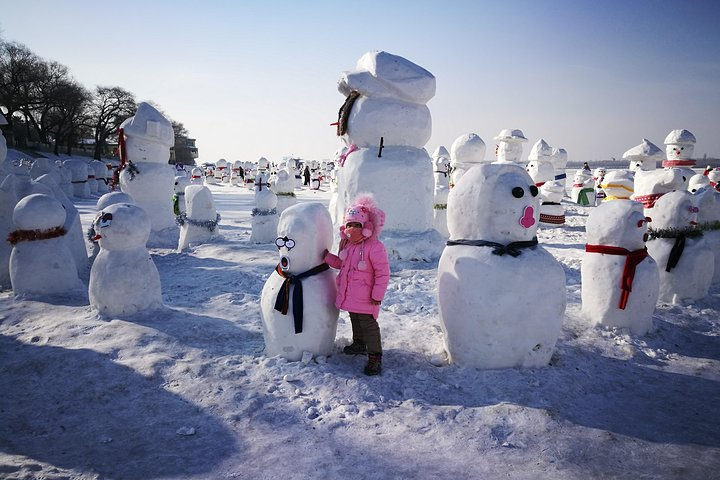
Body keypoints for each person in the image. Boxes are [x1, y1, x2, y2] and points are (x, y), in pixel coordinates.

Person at [324, 194, 390, 375]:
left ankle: (375, 355)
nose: (352, 229)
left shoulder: (374, 247)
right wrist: (327, 257)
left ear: (367, 227)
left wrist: (377, 295)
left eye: (357, 225)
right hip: (350, 294)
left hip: (367, 297)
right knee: (355, 318)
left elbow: (382, 273)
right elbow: (341, 264)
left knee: (368, 324)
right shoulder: (348, 245)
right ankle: (359, 343)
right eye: (349, 224)